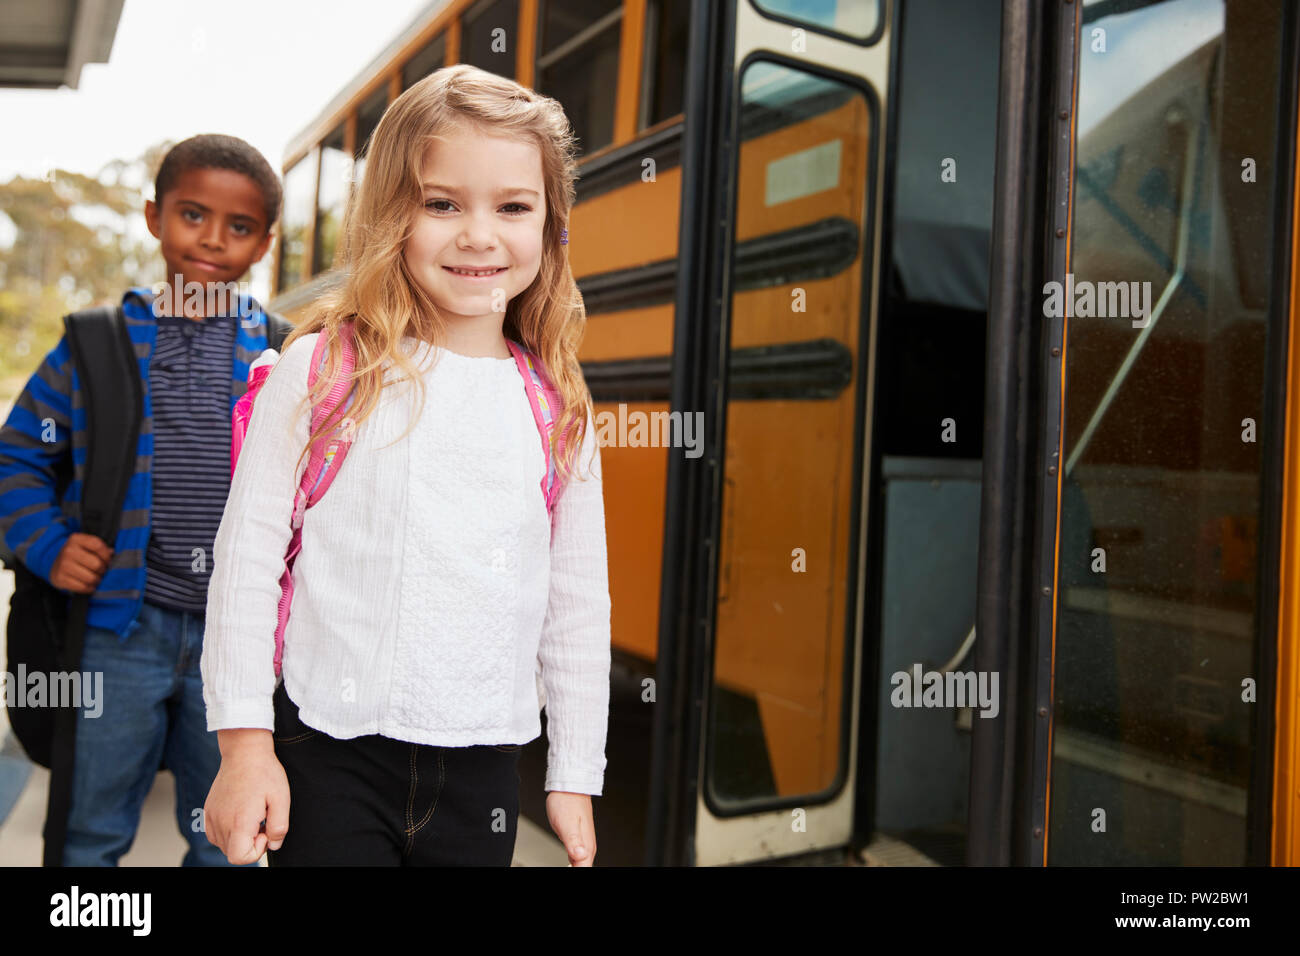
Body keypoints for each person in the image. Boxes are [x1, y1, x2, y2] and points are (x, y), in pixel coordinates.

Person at [201, 63, 611, 867]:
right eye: (442, 203)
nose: (479, 235)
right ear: (392, 211)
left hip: (484, 771)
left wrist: (574, 770)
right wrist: (245, 746)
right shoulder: (320, 372)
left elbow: (577, 603)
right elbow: (244, 562)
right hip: (328, 756)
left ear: (551, 223)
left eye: (514, 207)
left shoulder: (558, 410)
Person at [0, 133, 284, 865]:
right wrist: (51, 545)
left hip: (238, 647)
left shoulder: (283, 353)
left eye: (240, 226)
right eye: (193, 214)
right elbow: (18, 456)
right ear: (156, 217)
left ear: (265, 242)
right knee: (88, 830)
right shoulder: (94, 346)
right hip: (117, 631)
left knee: (226, 842)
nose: (213, 239)